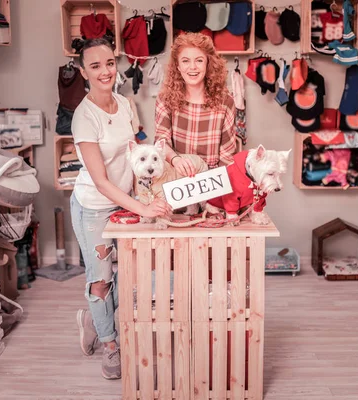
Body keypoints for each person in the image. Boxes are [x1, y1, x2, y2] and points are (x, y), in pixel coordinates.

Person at [70, 38, 171, 380]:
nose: (105, 71)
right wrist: (144, 210)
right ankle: (110, 344)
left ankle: (95, 320)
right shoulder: (84, 117)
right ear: (83, 72)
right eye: (95, 66)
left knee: (127, 278)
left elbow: (136, 146)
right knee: (101, 281)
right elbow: (100, 181)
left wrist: (164, 158)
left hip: (127, 201)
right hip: (95, 206)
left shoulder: (126, 104)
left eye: (109, 63)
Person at [155, 32, 238, 177]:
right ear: (178, 66)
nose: (192, 67)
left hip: (213, 179)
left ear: (208, 64)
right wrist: (176, 160)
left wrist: (217, 191)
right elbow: (162, 141)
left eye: (199, 60)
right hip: (176, 177)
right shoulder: (165, 99)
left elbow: (227, 153)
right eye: (185, 61)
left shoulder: (226, 101)